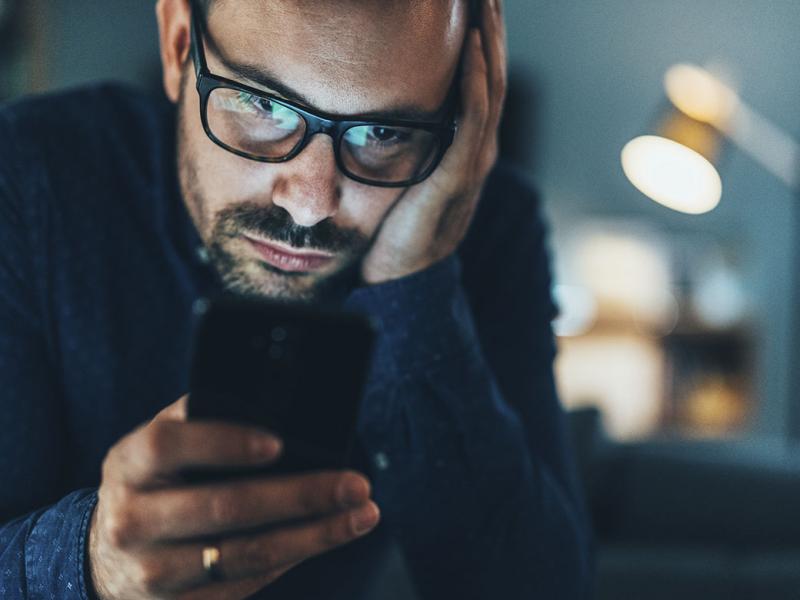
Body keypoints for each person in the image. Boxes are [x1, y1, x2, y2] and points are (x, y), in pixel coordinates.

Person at [0, 0, 592, 598]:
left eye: (382, 132)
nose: (310, 205)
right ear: (180, 43)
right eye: (262, 104)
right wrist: (90, 562)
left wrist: (414, 289)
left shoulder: (488, 226)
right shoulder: (25, 180)